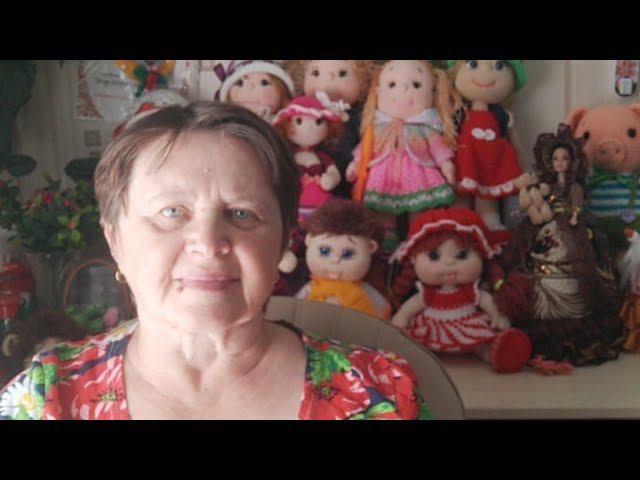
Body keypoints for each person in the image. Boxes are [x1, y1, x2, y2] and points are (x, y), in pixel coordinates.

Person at [0, 102, 429, 420]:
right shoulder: (45, 400)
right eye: (172, 212)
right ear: (115, 240)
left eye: (242, 214)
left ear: (284, 240)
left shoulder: (380, 393)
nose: (207, 244)